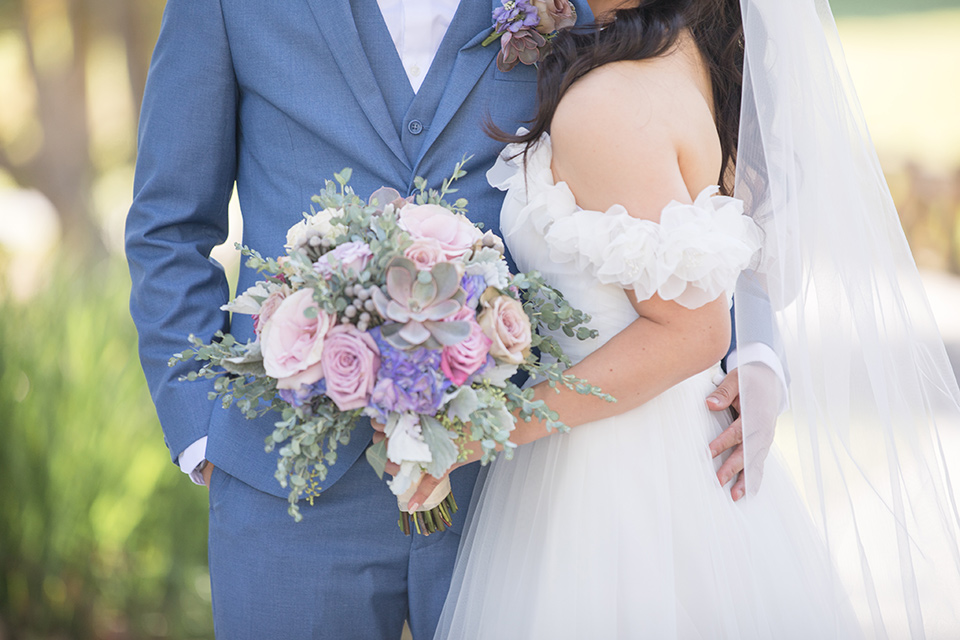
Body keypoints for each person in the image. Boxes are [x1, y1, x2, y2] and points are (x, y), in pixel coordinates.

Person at [125, 0, 782, 637]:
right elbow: (169, 225)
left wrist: (754, 351)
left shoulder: (575, 4)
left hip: (518, 487)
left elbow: (708, 158)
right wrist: (199, 428)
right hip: (288, 483)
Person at [419, 0, 960, 637]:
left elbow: (693, 332)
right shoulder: (683, 60)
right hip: (659, 449)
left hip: (616, 482)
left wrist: (476, 436)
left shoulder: (611, 100)